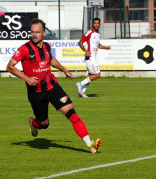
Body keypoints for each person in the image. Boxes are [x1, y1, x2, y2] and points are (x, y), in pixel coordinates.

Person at [6, 18, 102, 154]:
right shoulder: (24, 49)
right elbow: (10, 66)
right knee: (44, 124)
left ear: (44, 33)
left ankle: (90, 144)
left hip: (52, 86)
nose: (34, 34)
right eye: (32, 32)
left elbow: (50, 59)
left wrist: (64, 69)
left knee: (71, 112)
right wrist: (26, 78)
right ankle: (33, 124)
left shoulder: (47, 46)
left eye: (37, 32)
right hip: (36, 92)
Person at [76, 17, 111, 98]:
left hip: (93, 57)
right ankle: (80, 84)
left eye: (97, 23)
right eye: (95, 23)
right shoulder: (89, 32)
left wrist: (106, 47)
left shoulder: (98, 34)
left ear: (100, 24)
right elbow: (80, 42)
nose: (96, 25)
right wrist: (85, 50)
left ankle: (81, 93)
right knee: (97, 74)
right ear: (92, 24)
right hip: (89, 57)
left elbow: (98, 45)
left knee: (90, 76)